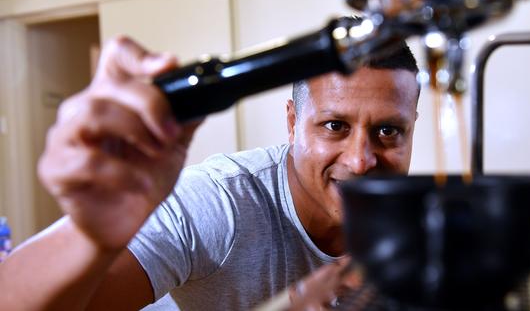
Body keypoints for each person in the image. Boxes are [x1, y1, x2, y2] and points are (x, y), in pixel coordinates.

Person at [0, 32, 420, 310]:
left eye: (388, 131)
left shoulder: (421, 221)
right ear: (292, 123)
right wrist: (89, 236)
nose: (361, 160)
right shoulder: (221, 202)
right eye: (335, 126)